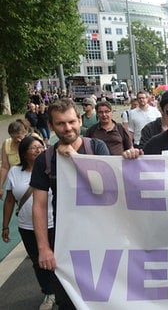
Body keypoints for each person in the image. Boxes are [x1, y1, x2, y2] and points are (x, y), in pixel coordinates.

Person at [32, 98, 110, 310]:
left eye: (72, 121)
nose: (68, 128)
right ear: (51, 126)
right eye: (60, 124)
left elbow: (106, 190)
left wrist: (76, 159)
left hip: (102, 240)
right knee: (68, 301)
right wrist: (44, 248)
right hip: (65, 243)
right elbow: (38, 206)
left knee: (105, 297)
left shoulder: (96, 147)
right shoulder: (45, 159)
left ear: (79, 120)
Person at [2, 136, 56, 310]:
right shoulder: (14, 173)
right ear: (24, 153)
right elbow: (9, 201)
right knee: (39, 262)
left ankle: (63, 291)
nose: (39, 150)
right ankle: (49, 292)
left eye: (41, 147)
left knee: (59, 260)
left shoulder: (52, 167)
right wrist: (5, 226)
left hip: (54, 223)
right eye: (34, 148)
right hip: (27, 227)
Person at [0, 119, 32, 198]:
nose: (17, 140)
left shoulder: (32, 141)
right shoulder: (7, 143)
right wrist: (0, 186)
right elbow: (5, 166)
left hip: (31, 177)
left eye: (19, 137)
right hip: (15, 178)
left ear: (25, 133)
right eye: (13, 138)